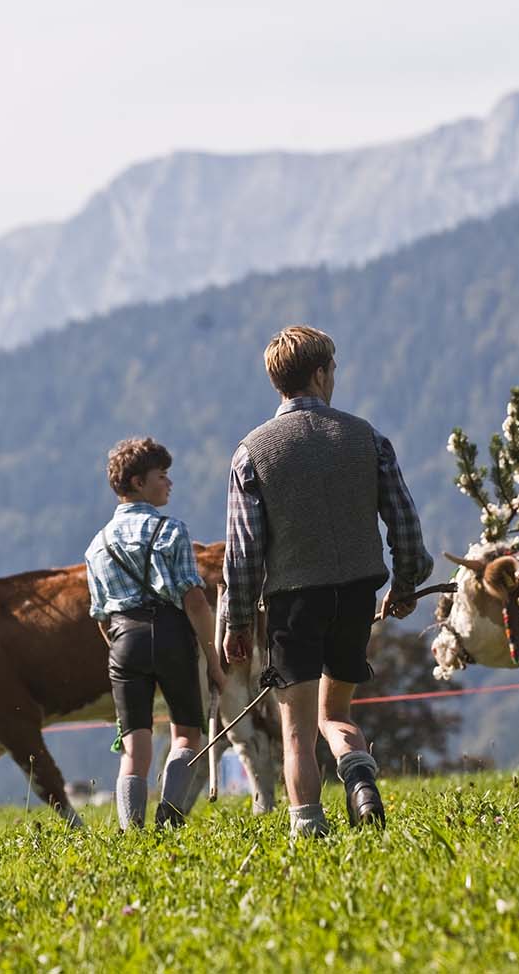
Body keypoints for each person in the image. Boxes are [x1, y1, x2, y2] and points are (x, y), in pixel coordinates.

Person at [221, 326, 431, 837]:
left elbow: (244, 553)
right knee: (335, 712)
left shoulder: (251, 453)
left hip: (293, 604)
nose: (334, 377)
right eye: (332, 369)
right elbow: (403, 522)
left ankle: (308, 829)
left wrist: (238, 621)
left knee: (296, 733)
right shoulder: (367, 438)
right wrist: (404, 583)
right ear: (319, 374)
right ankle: (359, 775)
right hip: (357, 592)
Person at [85, 437, 226, 830]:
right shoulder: (171, 530)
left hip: (123, 641)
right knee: (186, 736)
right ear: (137, 482)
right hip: (171, 636)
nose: (169, 483)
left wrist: (119, 653)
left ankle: (133, 831)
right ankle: (170, 815)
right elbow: (195, 602)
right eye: (161, 476)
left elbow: (100, 614)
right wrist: (214, 662)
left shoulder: (97, 545)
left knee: (134, 746)